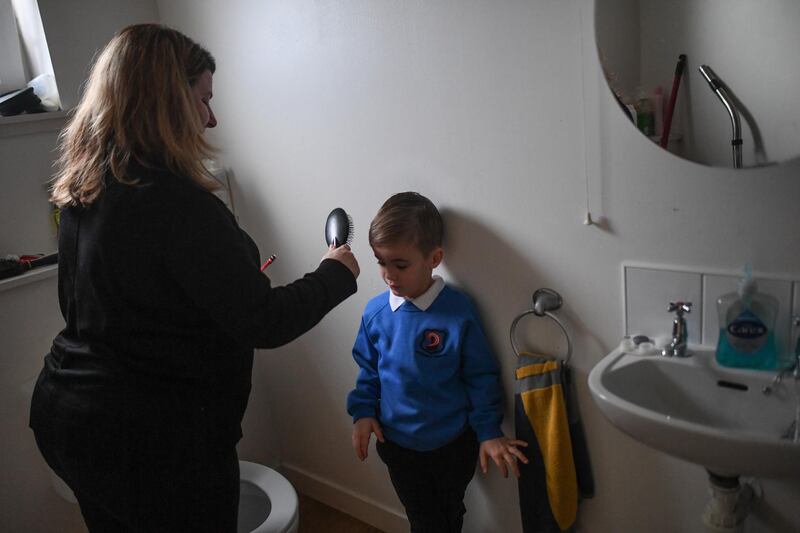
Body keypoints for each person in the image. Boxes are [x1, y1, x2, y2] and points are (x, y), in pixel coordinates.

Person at [29, 24, 359, 533]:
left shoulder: (85, 193)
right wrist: (335, 273)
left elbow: (122, 303)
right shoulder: (178, 204)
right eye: (203, 100)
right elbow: (264, 321)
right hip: (151, 443)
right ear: (167, 100)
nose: (212, 118)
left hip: (68, 415)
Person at [346, 192, 528, 532]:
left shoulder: (457, 311)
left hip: (452, 446)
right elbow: (369, 371)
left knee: (448, 514)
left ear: (434, 258)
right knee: (423, 517)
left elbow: (480, 375)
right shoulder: (376, 313)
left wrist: (489, 431)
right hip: (397, 445)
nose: (389, 275)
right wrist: (363, 412)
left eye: (400, 265)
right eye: (381, 262)